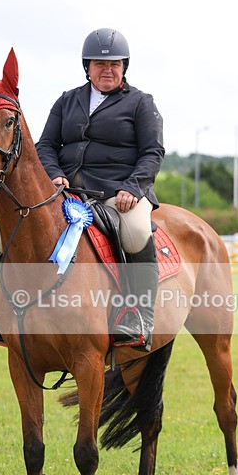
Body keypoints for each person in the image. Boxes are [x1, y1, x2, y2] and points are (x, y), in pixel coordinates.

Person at [34, 27, 165, 351]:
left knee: (135, 231)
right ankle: (15, 311)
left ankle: (140, 315)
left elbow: (153, 152)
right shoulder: (67, 101)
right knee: (6, 234)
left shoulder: (140, 103)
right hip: (66, 193)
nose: (107, 70)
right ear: (87, 67)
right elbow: (46, 144)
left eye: (114, 64)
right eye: (99, 64)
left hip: (120, 193)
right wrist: (54, 175)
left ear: (124, 67)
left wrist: (132, 187)